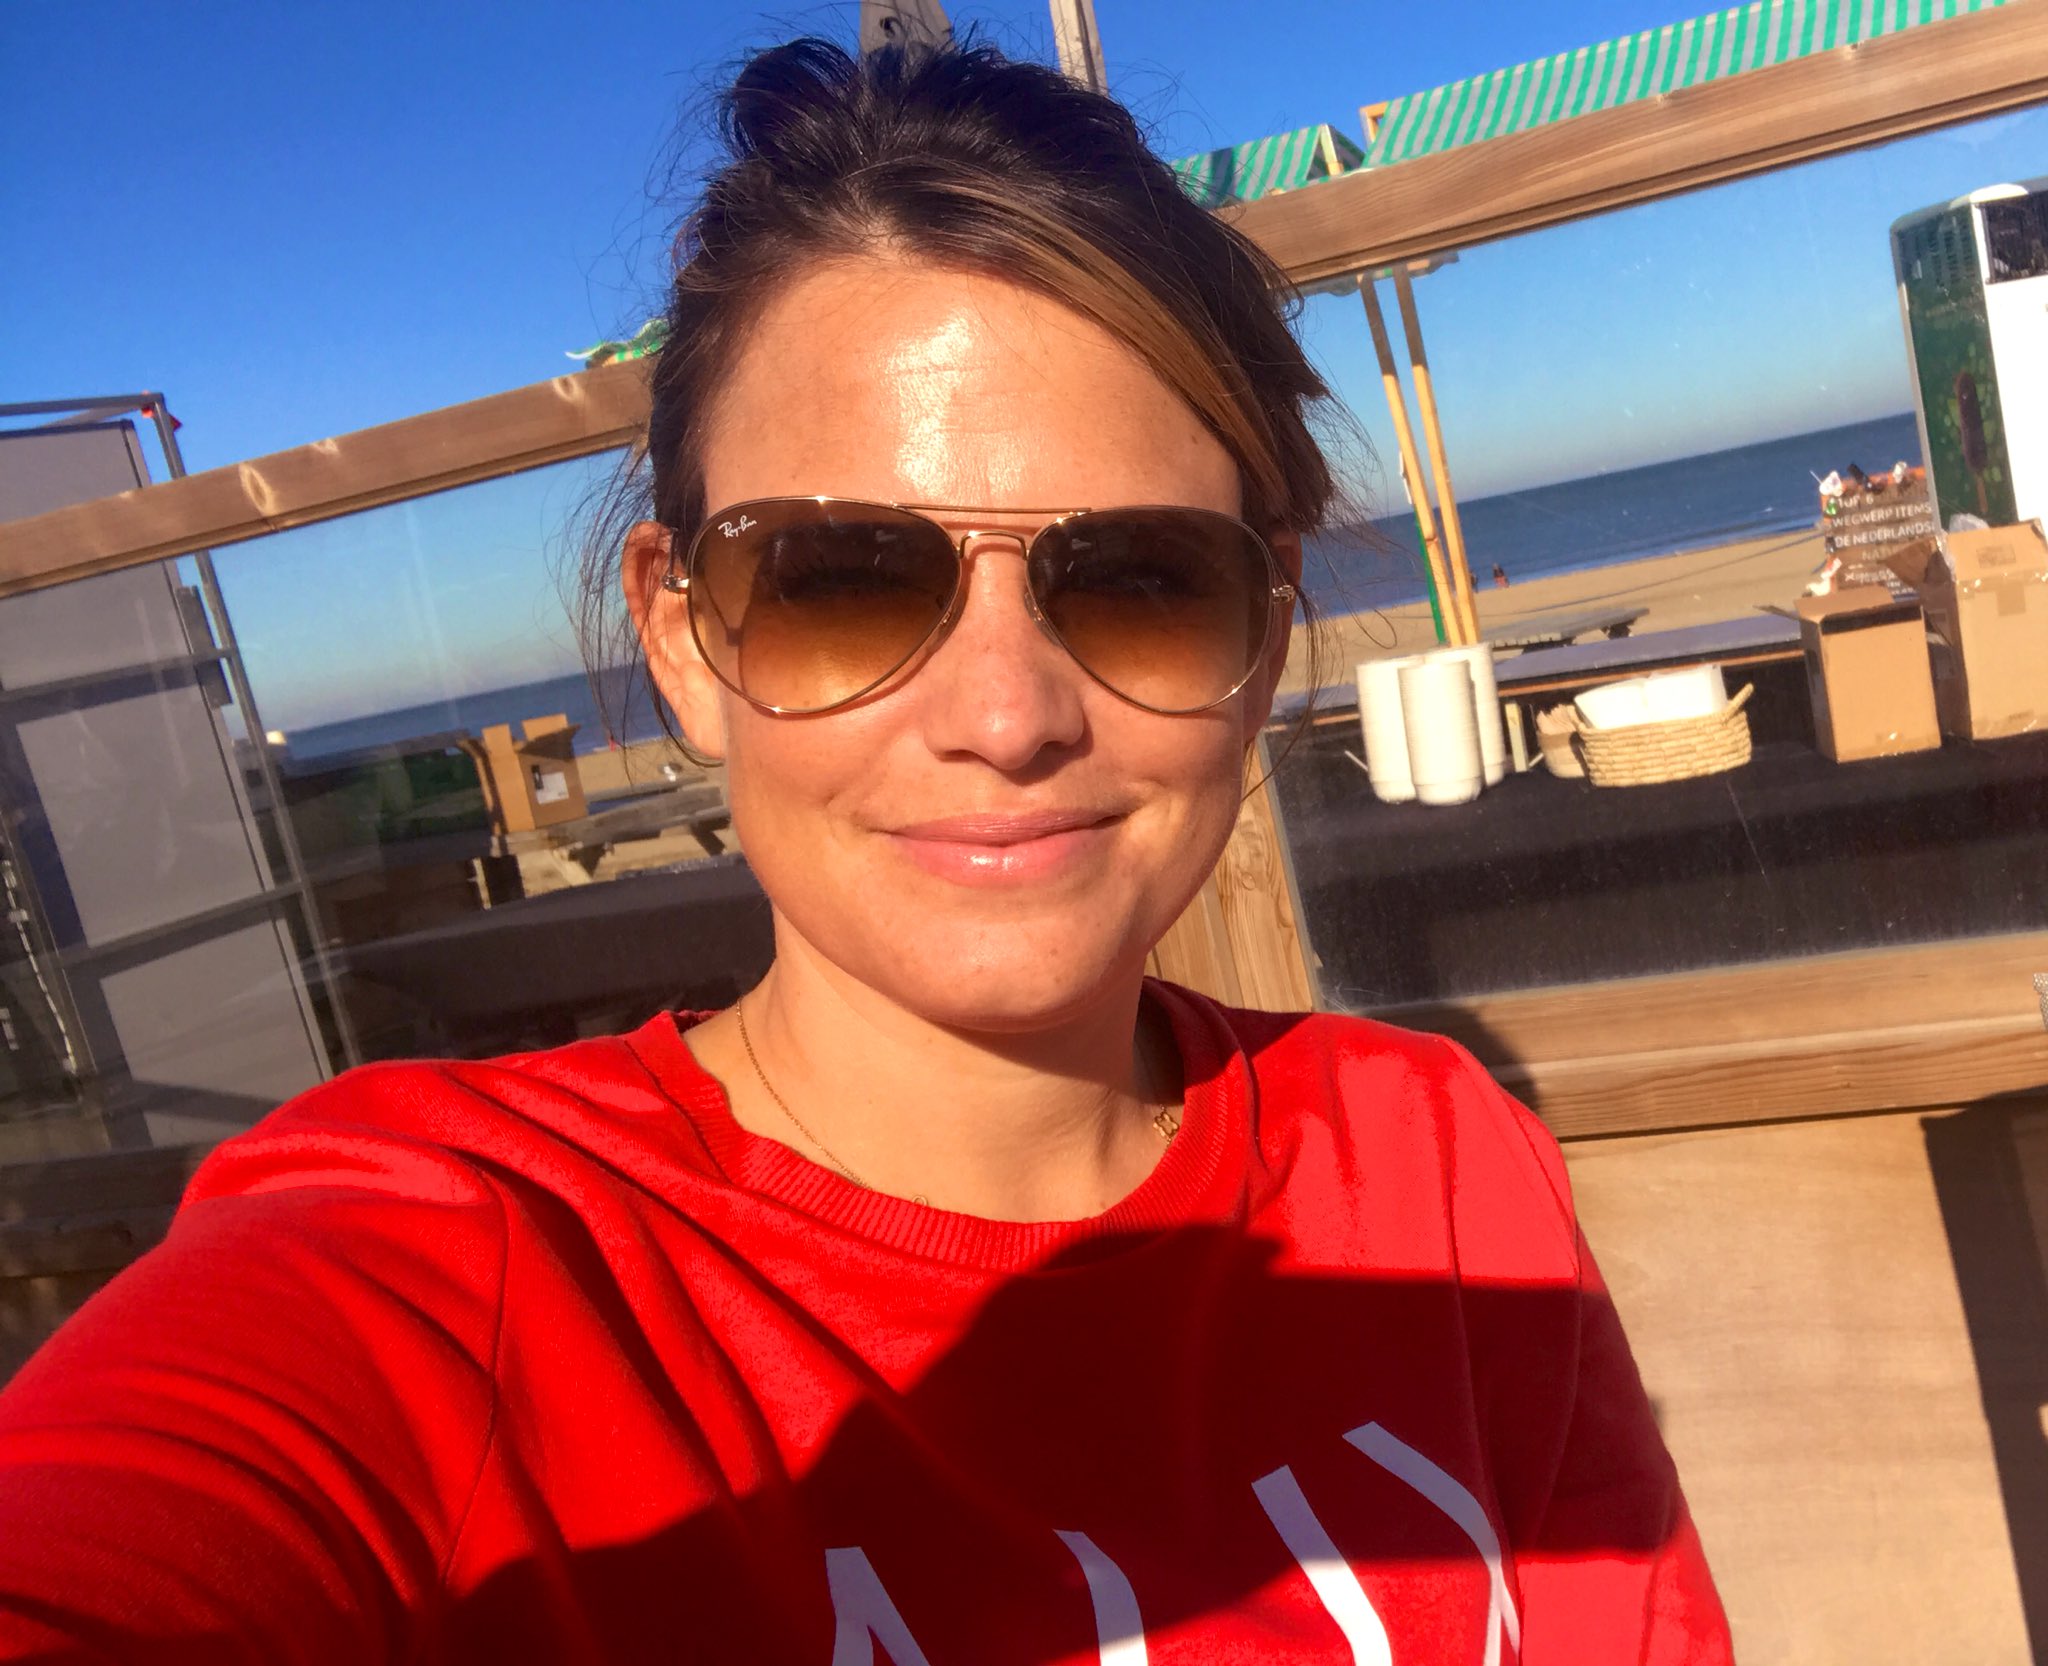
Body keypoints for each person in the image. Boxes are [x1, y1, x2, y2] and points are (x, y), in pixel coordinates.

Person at [0, 39, 1730, 1665]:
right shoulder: (455, 1272)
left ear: (1264, 634)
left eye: (1143, 576)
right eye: (841, 580)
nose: (1006, 713)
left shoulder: (1436, 1166)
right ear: (684, 638)